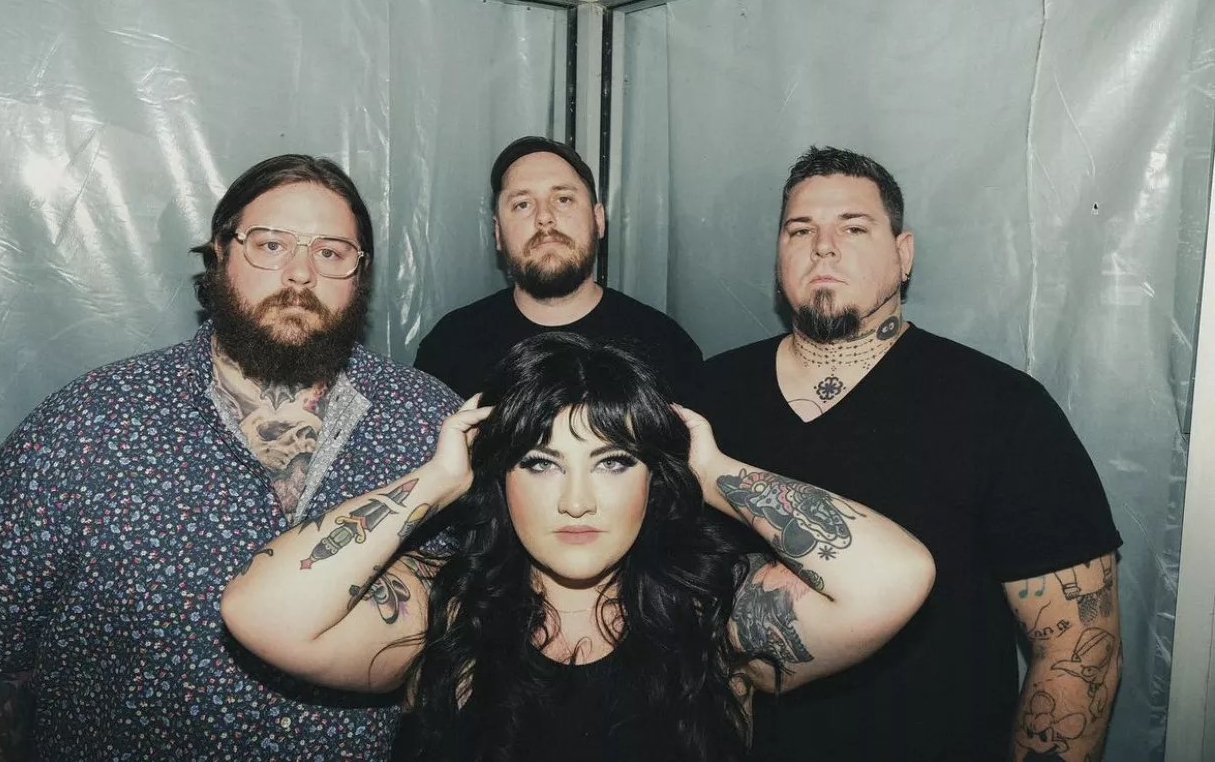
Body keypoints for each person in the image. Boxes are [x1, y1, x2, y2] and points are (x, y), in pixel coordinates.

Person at [0, 155, 460, 761]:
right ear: (220, 255)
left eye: (332, 252)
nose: (300, 273)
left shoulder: (424, 421)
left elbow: (485, 623)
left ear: (359, 276)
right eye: (270, 244)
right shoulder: (92, 423)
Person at [221, 332, 936, 761]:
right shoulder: (445, 608)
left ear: (654, 476)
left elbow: (896, 575)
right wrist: (434, 482)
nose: (576, 500)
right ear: (499, 477)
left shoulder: (715, 613)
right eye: (540, 462)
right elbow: (262, 614)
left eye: (613, 462)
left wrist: (716, 472)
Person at [698, 146, 1123, 762]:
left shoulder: (1001, 409)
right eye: (800, 230)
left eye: (854, 227)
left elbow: (1079, 653)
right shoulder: (705, 397)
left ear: (904, 255)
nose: (823, 247)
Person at [414, 136, 702, 398]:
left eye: (563, 199)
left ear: (598, 220)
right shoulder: (449, 347)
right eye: (522, 204)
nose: (544, 217)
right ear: (498, 233)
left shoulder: (666, 347)